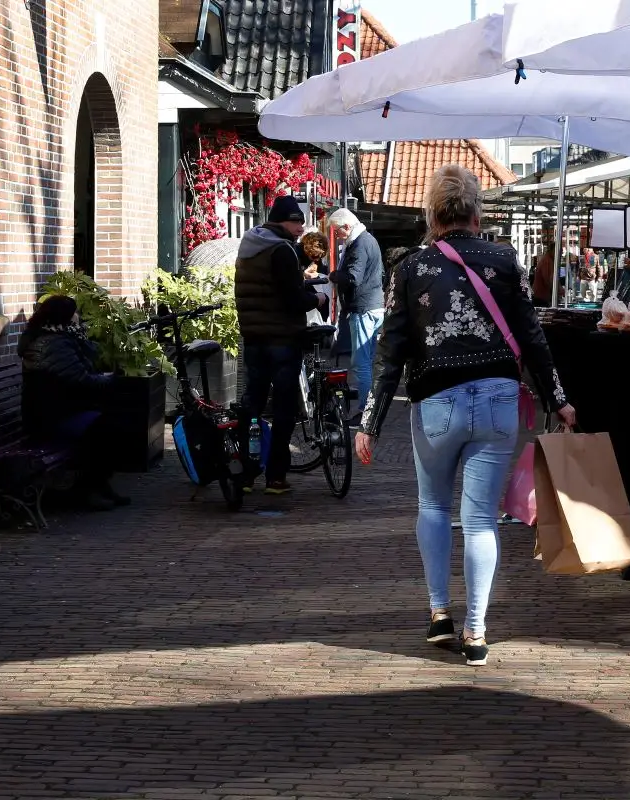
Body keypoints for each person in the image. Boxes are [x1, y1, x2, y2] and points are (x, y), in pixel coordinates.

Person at [355, 165, 577, 667]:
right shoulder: (505, 260)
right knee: (480, 521)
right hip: (498, 400)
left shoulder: (411, 268)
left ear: (432, 216)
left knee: (433, 506)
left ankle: (439, 614)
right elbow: (532, 336)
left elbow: (390, 351)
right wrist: (558, 397)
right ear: (477, 212)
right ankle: (476, 632)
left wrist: (370, 420)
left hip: (436, 401)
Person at [235, 195, 330, 495]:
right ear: (281, 221)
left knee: (252, 404)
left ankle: (246, 472)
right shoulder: (282, 250)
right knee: (284, 407)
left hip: (254, 339)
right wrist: (318, 298)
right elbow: (293, 299)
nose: (301, 228)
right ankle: (276, 476)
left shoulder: (249, 246)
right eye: (296, 222)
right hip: (282, 341)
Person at [17, 295, 129, 512]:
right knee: (107, 429)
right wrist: (112, 380)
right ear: (64, 317)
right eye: (74, 313)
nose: (78, 316)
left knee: (114, 423)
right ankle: (87, 489)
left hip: (61, 410)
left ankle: (99, 484)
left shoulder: (60, 337)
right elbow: (81, 379)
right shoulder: (52, 344)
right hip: (50, 419)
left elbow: (85, 365)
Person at [326, 208, 384, 424]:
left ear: (347, 226)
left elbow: (353, 277)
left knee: (361, 364)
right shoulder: (368, 240)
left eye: (337, 231)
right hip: (373, 305)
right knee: (368, 362)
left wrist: (334, 275)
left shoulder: (359, 244)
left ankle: (365, 414)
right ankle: (371, 409)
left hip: (363, 309)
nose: (336, 235)